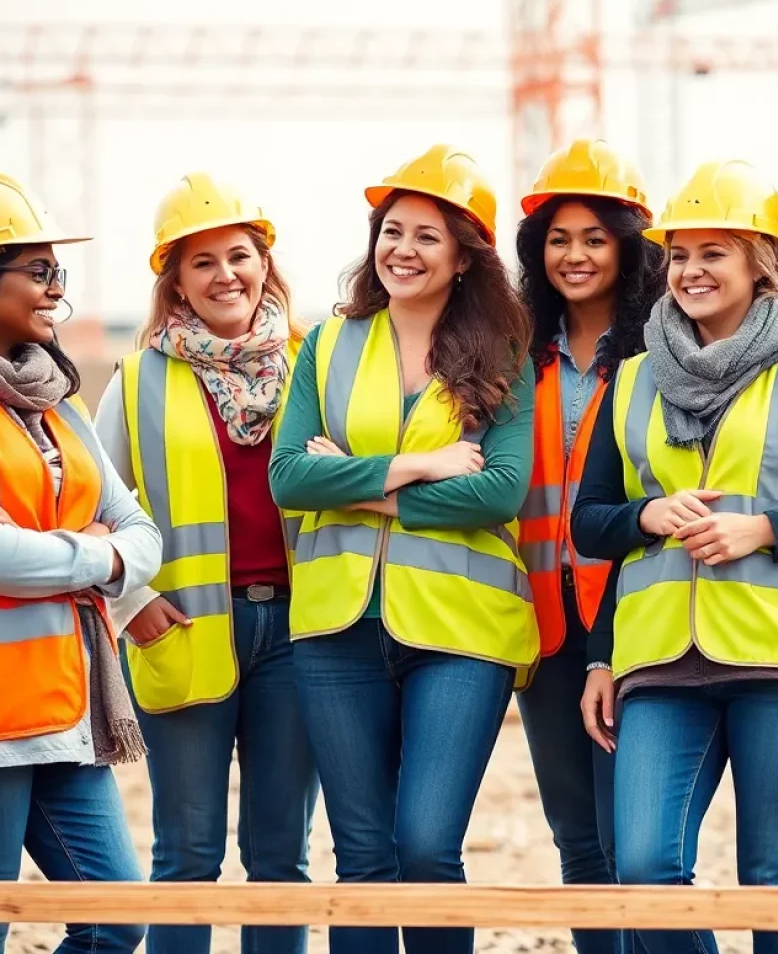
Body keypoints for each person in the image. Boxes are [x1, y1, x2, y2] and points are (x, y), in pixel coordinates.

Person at [574, 159, 778, 954]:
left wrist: (765, 531)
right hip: (659, 662)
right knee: (648, 875)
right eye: (680, 255)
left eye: (713, 253)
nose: (690, 271)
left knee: (774, 881)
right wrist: (646, 514)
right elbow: (590, 527)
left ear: (761, 265)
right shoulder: (630, 382)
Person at [269, 144, 538, 954]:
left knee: (424, 847)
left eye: (427, 235)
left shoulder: (505, 352)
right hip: (336, 629)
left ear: (464, 255)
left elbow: (499, 492)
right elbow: (288, 477)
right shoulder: (328, 343)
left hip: (462, 631)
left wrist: (348, 482)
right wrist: (416, 468)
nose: (403, 249)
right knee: (362, 859)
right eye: (392, 230)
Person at [94, 173, 318, 954]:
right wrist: (134, 603)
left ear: (265, 265)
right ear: (176, 282)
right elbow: (93, 508)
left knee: (281, 860)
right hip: (182, 628)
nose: (226, 274)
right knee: (186, 856)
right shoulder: (136, 380)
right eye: (203, 262)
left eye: (240, 256)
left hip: (299, 631)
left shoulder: (315, 363)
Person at [0, 171, 162, 954]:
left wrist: (89, 554)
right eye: (38, 272)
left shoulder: (58, 402)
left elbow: (142, 534)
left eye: (59, 274)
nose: (56, 290)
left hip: (66, 710)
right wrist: (99, 555)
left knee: (119, 922)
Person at [515, 138, 664, 954]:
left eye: (595, 238)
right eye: (559, 239)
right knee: (576, 836)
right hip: (540, 621)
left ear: (628, 245)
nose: (574, 255)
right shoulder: (513, 355)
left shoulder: (663, 354)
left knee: (633, 844)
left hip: (636, 614)